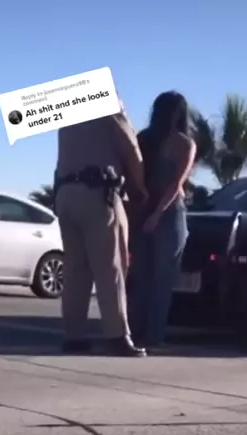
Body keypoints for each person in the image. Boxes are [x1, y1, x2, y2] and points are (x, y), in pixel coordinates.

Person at [54, 107, 148, 356]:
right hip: (97, 192)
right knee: (111, 267)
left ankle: (74, 335)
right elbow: (131, 146)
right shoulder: (107, 102)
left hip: (65, 193)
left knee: (76, 269)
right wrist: (141, 189)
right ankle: (117, 335)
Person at [128, 91, 196, 349]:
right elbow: (176, 184)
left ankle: (135, 331)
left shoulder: (143, 139)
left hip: (142, 210)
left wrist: (142, 211)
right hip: (168, 214)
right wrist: (158, 214)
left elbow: (133, 177)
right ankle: (154, 335)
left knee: (142, 276)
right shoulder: (184, 143)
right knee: (163, 279)